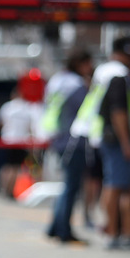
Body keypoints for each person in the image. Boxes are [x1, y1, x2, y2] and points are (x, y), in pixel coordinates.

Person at [76, 35, 130, 250]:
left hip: (106, 136)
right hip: (115, 138)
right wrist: (126, 142)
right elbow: (118, 111)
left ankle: (122, 233)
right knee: (115, 186)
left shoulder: (105, 71)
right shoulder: (118, 74)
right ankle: (114, 233)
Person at [45, 48, 93, 244]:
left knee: (65, 185)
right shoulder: (77, 84)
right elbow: (87, 111)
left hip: (58, 136)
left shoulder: (57, 80)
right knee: (71, 186)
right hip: (74, 140)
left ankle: (55, 227)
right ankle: (63, 229)